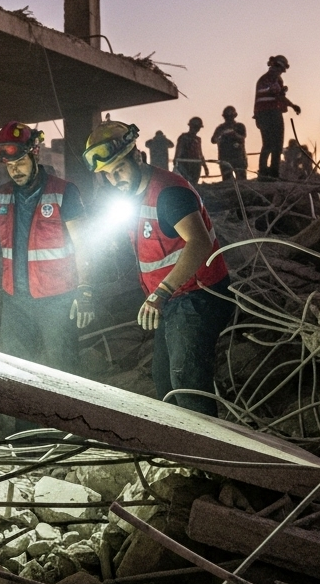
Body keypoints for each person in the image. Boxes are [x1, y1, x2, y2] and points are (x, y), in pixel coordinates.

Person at [83, 122, 233, 416]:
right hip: (175, 297)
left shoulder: (168, 194)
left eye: (119, 170)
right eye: (107, 175)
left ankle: (208, 457)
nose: (115, 180)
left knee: (186, 381)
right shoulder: (132, 195)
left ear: (137, 156)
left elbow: (199, 243)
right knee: (166, 381)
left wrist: (160, 292)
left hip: (198, 295)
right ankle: (186, 446)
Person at [0, 123, 93, 374]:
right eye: (9, 166)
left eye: (20, 162)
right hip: (15, 304)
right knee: (18, 377)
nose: (15, 170)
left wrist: (85, 290)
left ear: (35, 154)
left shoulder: (64, 192)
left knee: (65, 374)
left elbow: (84, 245)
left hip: (57, 301)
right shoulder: (1, 195)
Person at [253, 55, 301, 179]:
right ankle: (263, 172)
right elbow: (271, 94)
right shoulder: (265, 79)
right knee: (268, 143)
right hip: (265, 114)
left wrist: (291, 105)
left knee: (278, 145)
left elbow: (279, 96)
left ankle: (274, 172)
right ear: (274, 66)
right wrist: (292, 105)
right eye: (280, 69)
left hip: (274, 112)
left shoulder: (278, 81)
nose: (280, 72)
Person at [211, 107, 247, 181]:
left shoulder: (240, 126)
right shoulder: (220, 128)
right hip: (225, 157)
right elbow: (213, 140)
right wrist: (222, 135)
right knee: (227, 181)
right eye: (227, 116)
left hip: (239, 157)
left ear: (234, 116)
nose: (229, 118)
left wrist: (234, 134)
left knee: (242, 181)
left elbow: (243, 137)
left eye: (231, 116)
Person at [173, 117, 209, 185]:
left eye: (197, 127)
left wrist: (205, 166)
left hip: (196, 165)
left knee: (193, 184)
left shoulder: (198, 139)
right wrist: (176, 161)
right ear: (191, 126)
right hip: (185, 164)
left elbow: (200, 153)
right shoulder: (183, 137)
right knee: (185, 183)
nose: (196, 129)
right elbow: (179, 150)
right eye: (195, 127)